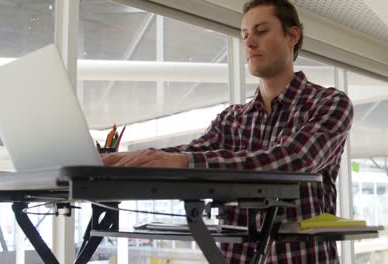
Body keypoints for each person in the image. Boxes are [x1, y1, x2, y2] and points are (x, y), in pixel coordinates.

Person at [102, 0, 353, 262]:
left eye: (261, 31)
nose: (249, 42)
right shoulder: (232, 118)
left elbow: (294, 159)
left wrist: (184, 162)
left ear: (292, 36)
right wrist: (119, 161)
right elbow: (190, 151)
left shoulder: (330, 103)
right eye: (245, 34)